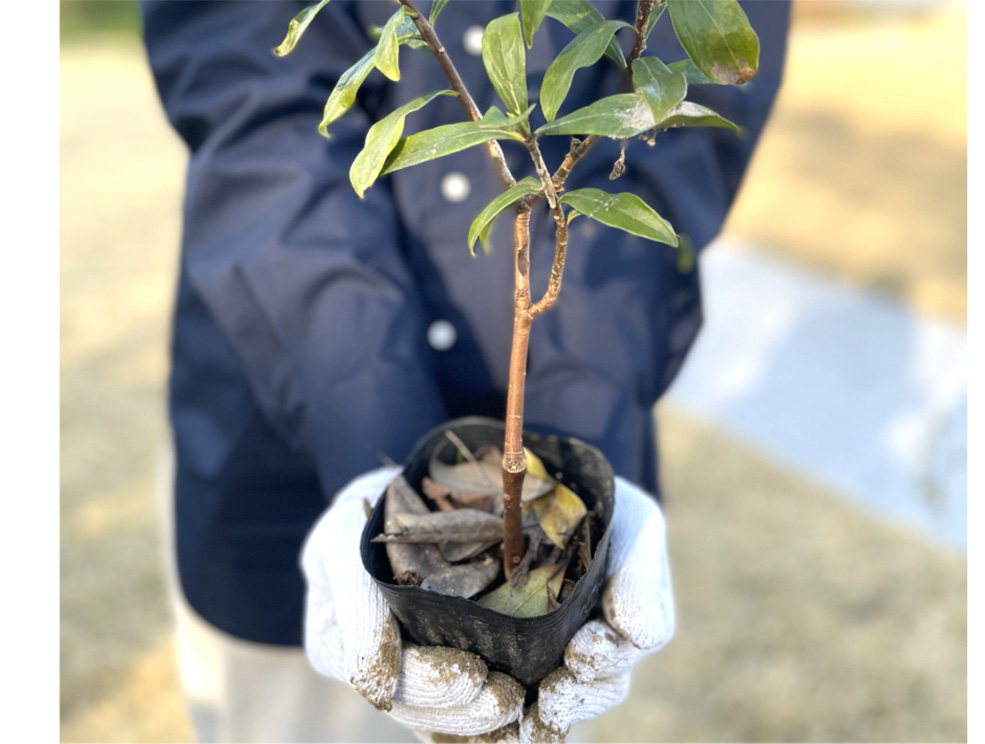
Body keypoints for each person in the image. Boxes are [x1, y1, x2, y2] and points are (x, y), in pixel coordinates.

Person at [142, 0, 790, 741]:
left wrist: (584, 447)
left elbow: (673, 126)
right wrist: (371, 455)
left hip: (566, 510)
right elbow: (260, 109)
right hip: (289, 448)